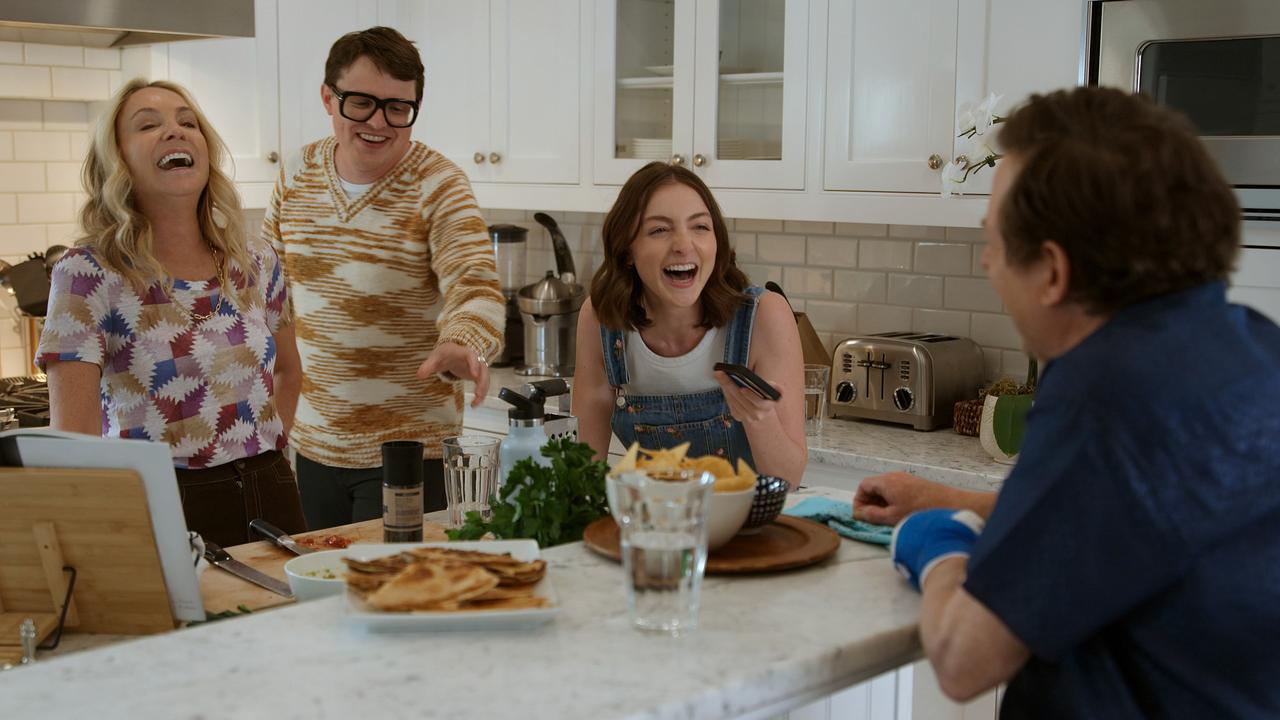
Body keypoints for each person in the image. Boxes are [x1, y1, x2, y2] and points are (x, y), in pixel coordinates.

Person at [874, 86, 1280, 718]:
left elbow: (962, 659)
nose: (988, 264)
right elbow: (1125, 519)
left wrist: (937, 544)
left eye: (995, 242)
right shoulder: (1253, 348)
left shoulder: (1106, 389)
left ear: (1053, 272)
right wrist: (945, 498)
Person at [37, 79, 307, 548]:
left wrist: (263, 450)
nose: (175, 132)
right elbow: (74, 445)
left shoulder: (255, 260)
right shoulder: (88, 274)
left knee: (287, 619)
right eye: (148, 125)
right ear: (117, 161)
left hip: (271, 492)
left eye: (188, 122)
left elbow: (289, 370)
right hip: (160, 499)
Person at [262, 26, 505, 529]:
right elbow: (266, 286)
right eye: (362, 103)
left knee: (397, 596)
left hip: (410, 451)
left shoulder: (440, 185)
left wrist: (464, 341)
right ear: (329, 98)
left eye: (398, 107)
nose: (379, 122)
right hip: (312, 445)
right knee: (325, 595)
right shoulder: (295, 172)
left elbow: (475, 282)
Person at [572, 162, 807, 485]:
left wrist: (760, 417)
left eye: (700, 227)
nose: (684, 244)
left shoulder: (764, 316)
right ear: (628, 250)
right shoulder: (602, 320)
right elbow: (584, 468)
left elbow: (789, 478)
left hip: (751, 529)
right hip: (657, 525)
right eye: (659, 230)